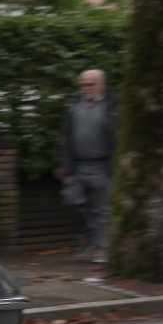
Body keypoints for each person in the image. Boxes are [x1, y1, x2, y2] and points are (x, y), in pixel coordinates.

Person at [55, 68, 117, 262]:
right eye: (83, 84)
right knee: (72, 200)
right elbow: (64, 135)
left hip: (102, 165)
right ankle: (88, 238)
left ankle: (103, 248)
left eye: (90, 84)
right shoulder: (74, 105)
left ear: (101, 85)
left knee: (101, 209)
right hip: (77, 166)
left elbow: (118, 137)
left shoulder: (112, 106)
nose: (86, 88)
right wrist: (62, 163)